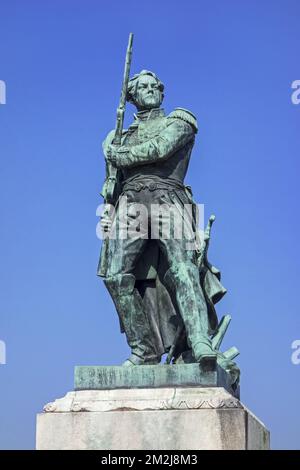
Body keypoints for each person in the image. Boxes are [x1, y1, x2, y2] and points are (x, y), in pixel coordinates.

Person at [98, 70, 223, 367]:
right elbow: (112, 184)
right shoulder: (117, 137)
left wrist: (118, 155)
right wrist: (109, 182)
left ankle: (200, 341)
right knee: (115, 276)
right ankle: (144, 350)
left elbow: (160, 149)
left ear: (162, 92)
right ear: (132, 97)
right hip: (130, 204)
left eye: (155, 86)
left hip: (169, 199)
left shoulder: (179, 121)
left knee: (183, 269)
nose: (150, 89)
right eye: (142, 87)